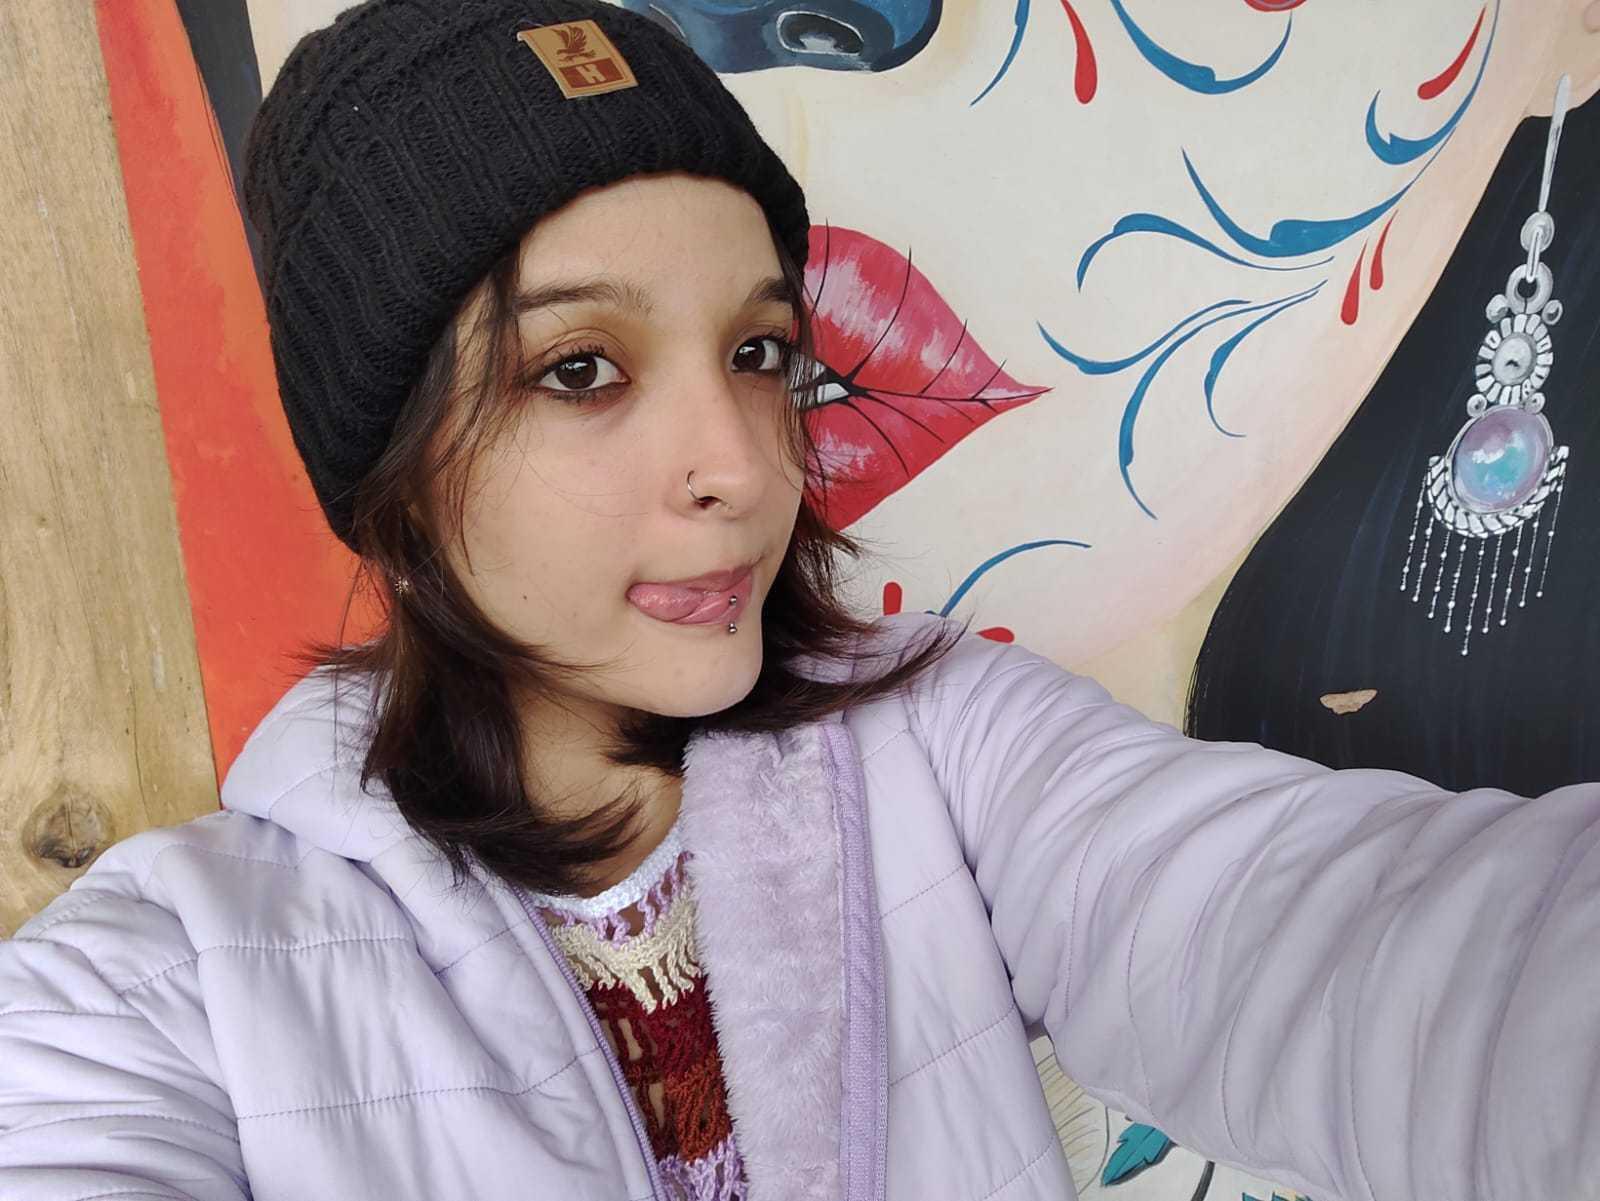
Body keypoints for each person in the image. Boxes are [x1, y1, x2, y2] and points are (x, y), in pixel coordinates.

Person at [0, 3, 1595, 1199]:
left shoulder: (947, 746)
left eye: (761, 352)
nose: (747, 469)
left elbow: (1343, 944)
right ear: (396, 487)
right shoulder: (173, 975)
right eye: (581, 369)